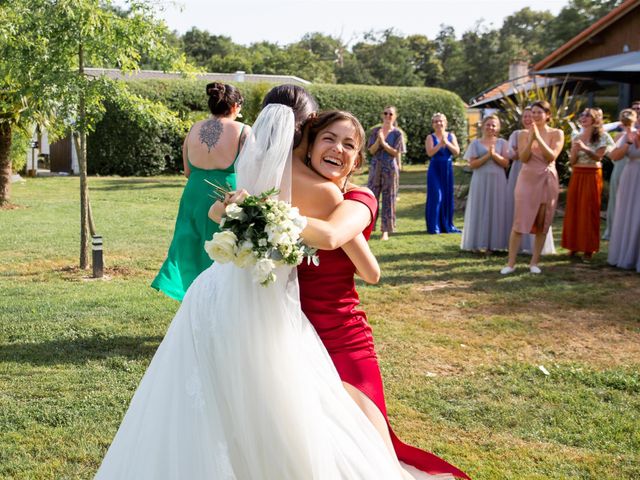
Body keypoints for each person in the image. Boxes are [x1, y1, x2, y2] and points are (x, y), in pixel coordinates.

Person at [96, 96, 467, 479]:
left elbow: (357, 260)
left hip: (337, 327)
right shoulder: (304, 190)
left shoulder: (352, 197)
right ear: (308, 139)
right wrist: (254, 208)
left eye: (349, 145)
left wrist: (262, 210)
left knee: (366, 437)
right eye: (328, 138)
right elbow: (221, 214)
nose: (337, 149)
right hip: (288, 317)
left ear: (358, 160)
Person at [150, 82, 248, 301]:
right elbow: (252, 171)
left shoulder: (194, 128)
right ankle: (218, 301)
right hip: (224, 196)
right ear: (234, 106)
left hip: (193, 193)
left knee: (192, 247)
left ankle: (195, 298)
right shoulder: (243, 131)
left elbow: (187, 170)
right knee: (222, 251)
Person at [501, 101, 564, 274]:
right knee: (519, 220)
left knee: (542, 222)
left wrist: (539, 138)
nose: (534, 116)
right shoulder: (522, 134)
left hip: (546, 178)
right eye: (532, 113)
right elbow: (524, 157)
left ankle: (534, 262)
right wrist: (530, 139)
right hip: (527, 179)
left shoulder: (557, 133)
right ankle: (510, 263)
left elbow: (551, 156)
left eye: (538, 113)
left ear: (547, 115)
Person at [561, 108, 610, 261]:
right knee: (574, 209)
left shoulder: (603, 136)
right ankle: (573, 246)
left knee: (589, 210)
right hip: (577, 174)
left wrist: (584, 148)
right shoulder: (576, 136)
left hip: (592, 175)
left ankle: (589, 248)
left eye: (587, 115)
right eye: (582, 115)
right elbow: (573, 162)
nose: (583, 117)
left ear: (595, 119)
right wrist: (574, 152)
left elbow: (598, 157)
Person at [505, 107, 555, 255]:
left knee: (541, 215)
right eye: (526, 116)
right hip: (521, 172)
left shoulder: (552, 133)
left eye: (531, 115)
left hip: (543, 174)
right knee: (521, 212)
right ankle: (516, 250)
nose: (529, 118)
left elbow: (551, 156)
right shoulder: (519, 134)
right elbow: (515, 155)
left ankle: (537, 251)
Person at [460, 115, 510, 252]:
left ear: (498, 128)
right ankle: (477, 243)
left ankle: (496, 244)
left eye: (494, 125)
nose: (490, 127)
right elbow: (473, 164)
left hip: (498, 180)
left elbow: (506, 163)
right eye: (488, 124)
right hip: (480, 180)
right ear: (483, 126)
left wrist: (494, 155)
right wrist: (488, 156)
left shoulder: (502, 143)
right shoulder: (475, 143)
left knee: (497, 209)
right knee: (480, 207)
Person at [607, 112, 640, 271]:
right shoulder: (629, 135)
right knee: (628, 214)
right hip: (630, 177)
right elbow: (614, 156)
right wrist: (628, 142)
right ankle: (626, 255)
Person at [367, 106, 406, 241]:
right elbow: (371, 151)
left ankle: (386, 230)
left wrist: (384, 143)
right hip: (375, 168)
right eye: (386, 113)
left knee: (389, 199)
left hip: (390, 168)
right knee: (372, 198)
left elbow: (396, 152)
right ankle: (369, 228)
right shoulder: (374, 132)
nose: (388, 116)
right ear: (382, 115)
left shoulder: (398, 134)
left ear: (395, 117)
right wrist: (379, 141)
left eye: (391, 114)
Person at [603, 109, 637, 240]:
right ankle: (613, 230)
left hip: (632, 169)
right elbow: (613, 156)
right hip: (621, 167)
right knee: (616, 200)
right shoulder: (620, 136)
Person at [425, 113, 461, 234]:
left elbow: (456, 152)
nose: (438, 123)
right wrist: (440, 144)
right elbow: (430, 153)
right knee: (436, 196)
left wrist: (447, 143)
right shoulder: (430, 137)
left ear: (445, 123)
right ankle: (433, 226)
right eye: (435, 121)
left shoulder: (451, 136)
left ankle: (446, 225)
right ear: (433, 124)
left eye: (440, 121)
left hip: (447, 169)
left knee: (446, 197)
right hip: (435, 169)